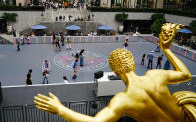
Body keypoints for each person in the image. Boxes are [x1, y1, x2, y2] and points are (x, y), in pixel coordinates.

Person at [34, 23, 196, 122]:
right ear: (132, 64)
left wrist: (60, 109)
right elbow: (186, 74)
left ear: (116, 72)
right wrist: (166, 49)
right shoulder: (156, 75)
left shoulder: (123, 100)